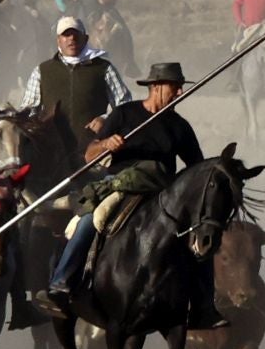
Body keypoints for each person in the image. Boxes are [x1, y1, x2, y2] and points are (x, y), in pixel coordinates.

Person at [35, 62, 227, 328]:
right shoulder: (124, 115)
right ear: (156, 87)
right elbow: (89, 154)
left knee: (197, 239)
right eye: (174, 87)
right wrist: (105, 144)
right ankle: (61, 283)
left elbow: (196, 167)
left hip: (161, 193)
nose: (180, 93)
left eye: (180, 87)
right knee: (92, 219)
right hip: (120, 186)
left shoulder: (179, 127)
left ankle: (204, 306)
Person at [24, 15, 134, 163]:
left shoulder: (103, 68)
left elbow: (125, 106)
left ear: (86, 38)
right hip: (52, 154)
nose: (71, 39)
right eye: (66, 35)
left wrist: (105, 119)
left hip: (95, 151)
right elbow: (28, 110)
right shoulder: (42, 71)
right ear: (58, 40)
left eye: (76, 34)